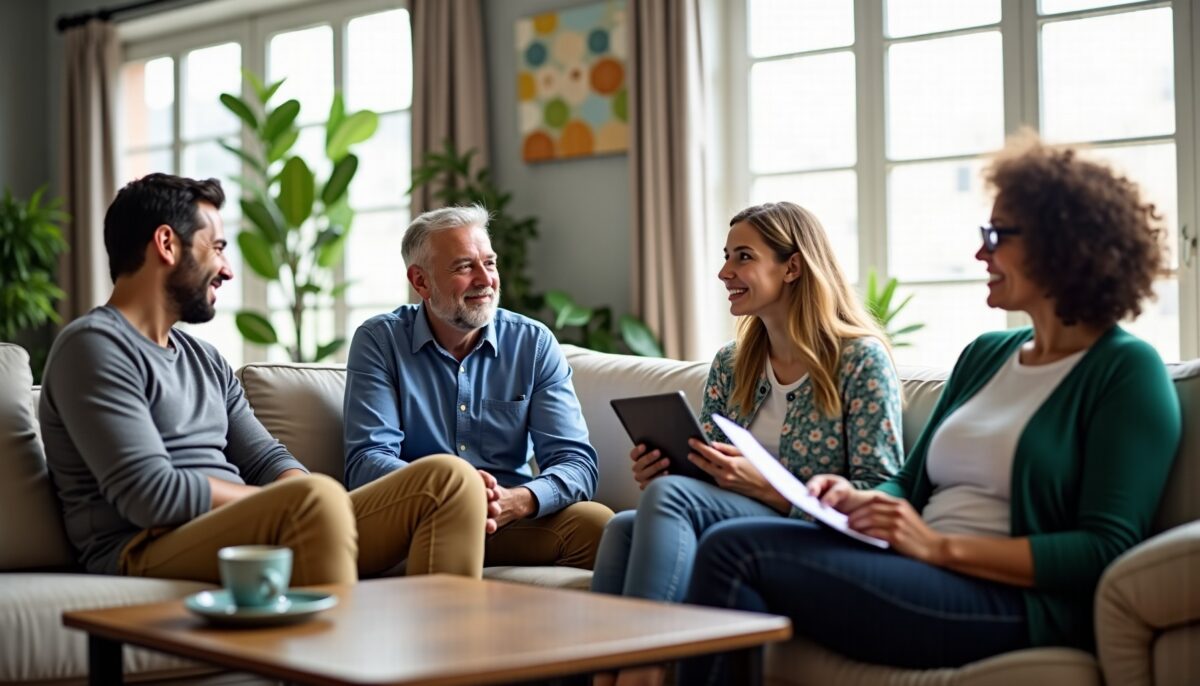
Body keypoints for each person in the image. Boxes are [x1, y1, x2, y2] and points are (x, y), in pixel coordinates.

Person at [679, 132, 1182, 683]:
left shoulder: (1127, 372)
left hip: (1005, 600)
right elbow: (909, 484)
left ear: (1063, 245)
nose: (980, 253)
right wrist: (856, 499)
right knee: (716, 545)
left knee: (736, 550)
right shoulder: (987, 355)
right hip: (913, 566)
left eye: (996, 236)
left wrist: (939, 547)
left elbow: (1104, 547)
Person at [40, 174, 490, 586]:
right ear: (166, 244)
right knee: (314, 499)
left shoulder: (205, 360)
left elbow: (266, 461)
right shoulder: (93, 346)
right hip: (145, 545)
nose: (228, 268)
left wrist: (298, 493)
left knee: (449, 481)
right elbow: (149, 494)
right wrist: (287, 502)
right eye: (216, 247)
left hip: (250, 525)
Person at [590, 202, 903, 685]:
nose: (724, 272)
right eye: (725, 256)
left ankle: (642, 676)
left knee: (667, 500)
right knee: (623, 527)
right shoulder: (733, 364)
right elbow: (708, 476)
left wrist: (769, 488)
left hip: (812, 534)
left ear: (792, 267)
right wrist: (671, 468)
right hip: (739, 519)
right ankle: (598, 677)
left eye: (742, 257)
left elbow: (879, 489)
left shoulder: (859, 361)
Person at [342, 205, 613, 570]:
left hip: (504, 518)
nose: (485, 280)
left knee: (598, 526)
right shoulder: (380, 341)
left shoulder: (532, 344)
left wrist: (518, 499)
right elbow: (366, 462)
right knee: (445, 520)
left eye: (490, 263)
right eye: (464, 267)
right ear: (420, 281)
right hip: (419, 518)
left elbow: (576, 463)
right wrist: (457, 492)